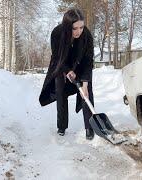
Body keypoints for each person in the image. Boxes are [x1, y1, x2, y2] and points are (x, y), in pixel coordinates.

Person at [39, 8, 95, 140]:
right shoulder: (57, 33)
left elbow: (88, 60)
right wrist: (68, 71)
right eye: (75, 28)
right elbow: (57, 57)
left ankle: (90, 127)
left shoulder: (86, 35)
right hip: (61, 66)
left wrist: (85, 84)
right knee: (61, 92)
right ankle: (61, 126)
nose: (79, 31)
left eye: (81, 27)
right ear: (67, 26)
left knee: (87, 94)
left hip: (80, 66)